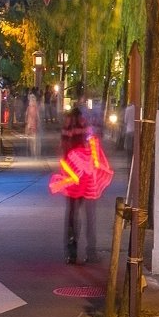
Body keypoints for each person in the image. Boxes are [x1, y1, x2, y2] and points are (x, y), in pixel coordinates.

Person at [61, 98, 98, 264]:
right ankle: (91, 250)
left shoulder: (67, 128)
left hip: (72, 173)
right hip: (85, 174)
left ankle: (72, 249)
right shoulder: (86, 128)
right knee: (89, 213)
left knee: (72, 212)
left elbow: (64, 148)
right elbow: (92, 147)